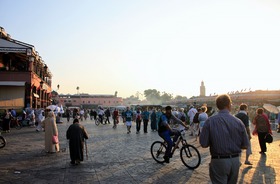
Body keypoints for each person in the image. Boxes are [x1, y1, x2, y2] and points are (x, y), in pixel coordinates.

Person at [199, 94, 249, 184]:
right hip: (235, 161)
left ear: (218, 106)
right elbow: (245, 145)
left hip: (219, 161)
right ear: (229, 105)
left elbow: (204, 144)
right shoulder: (238, 122)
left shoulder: (210, 121)